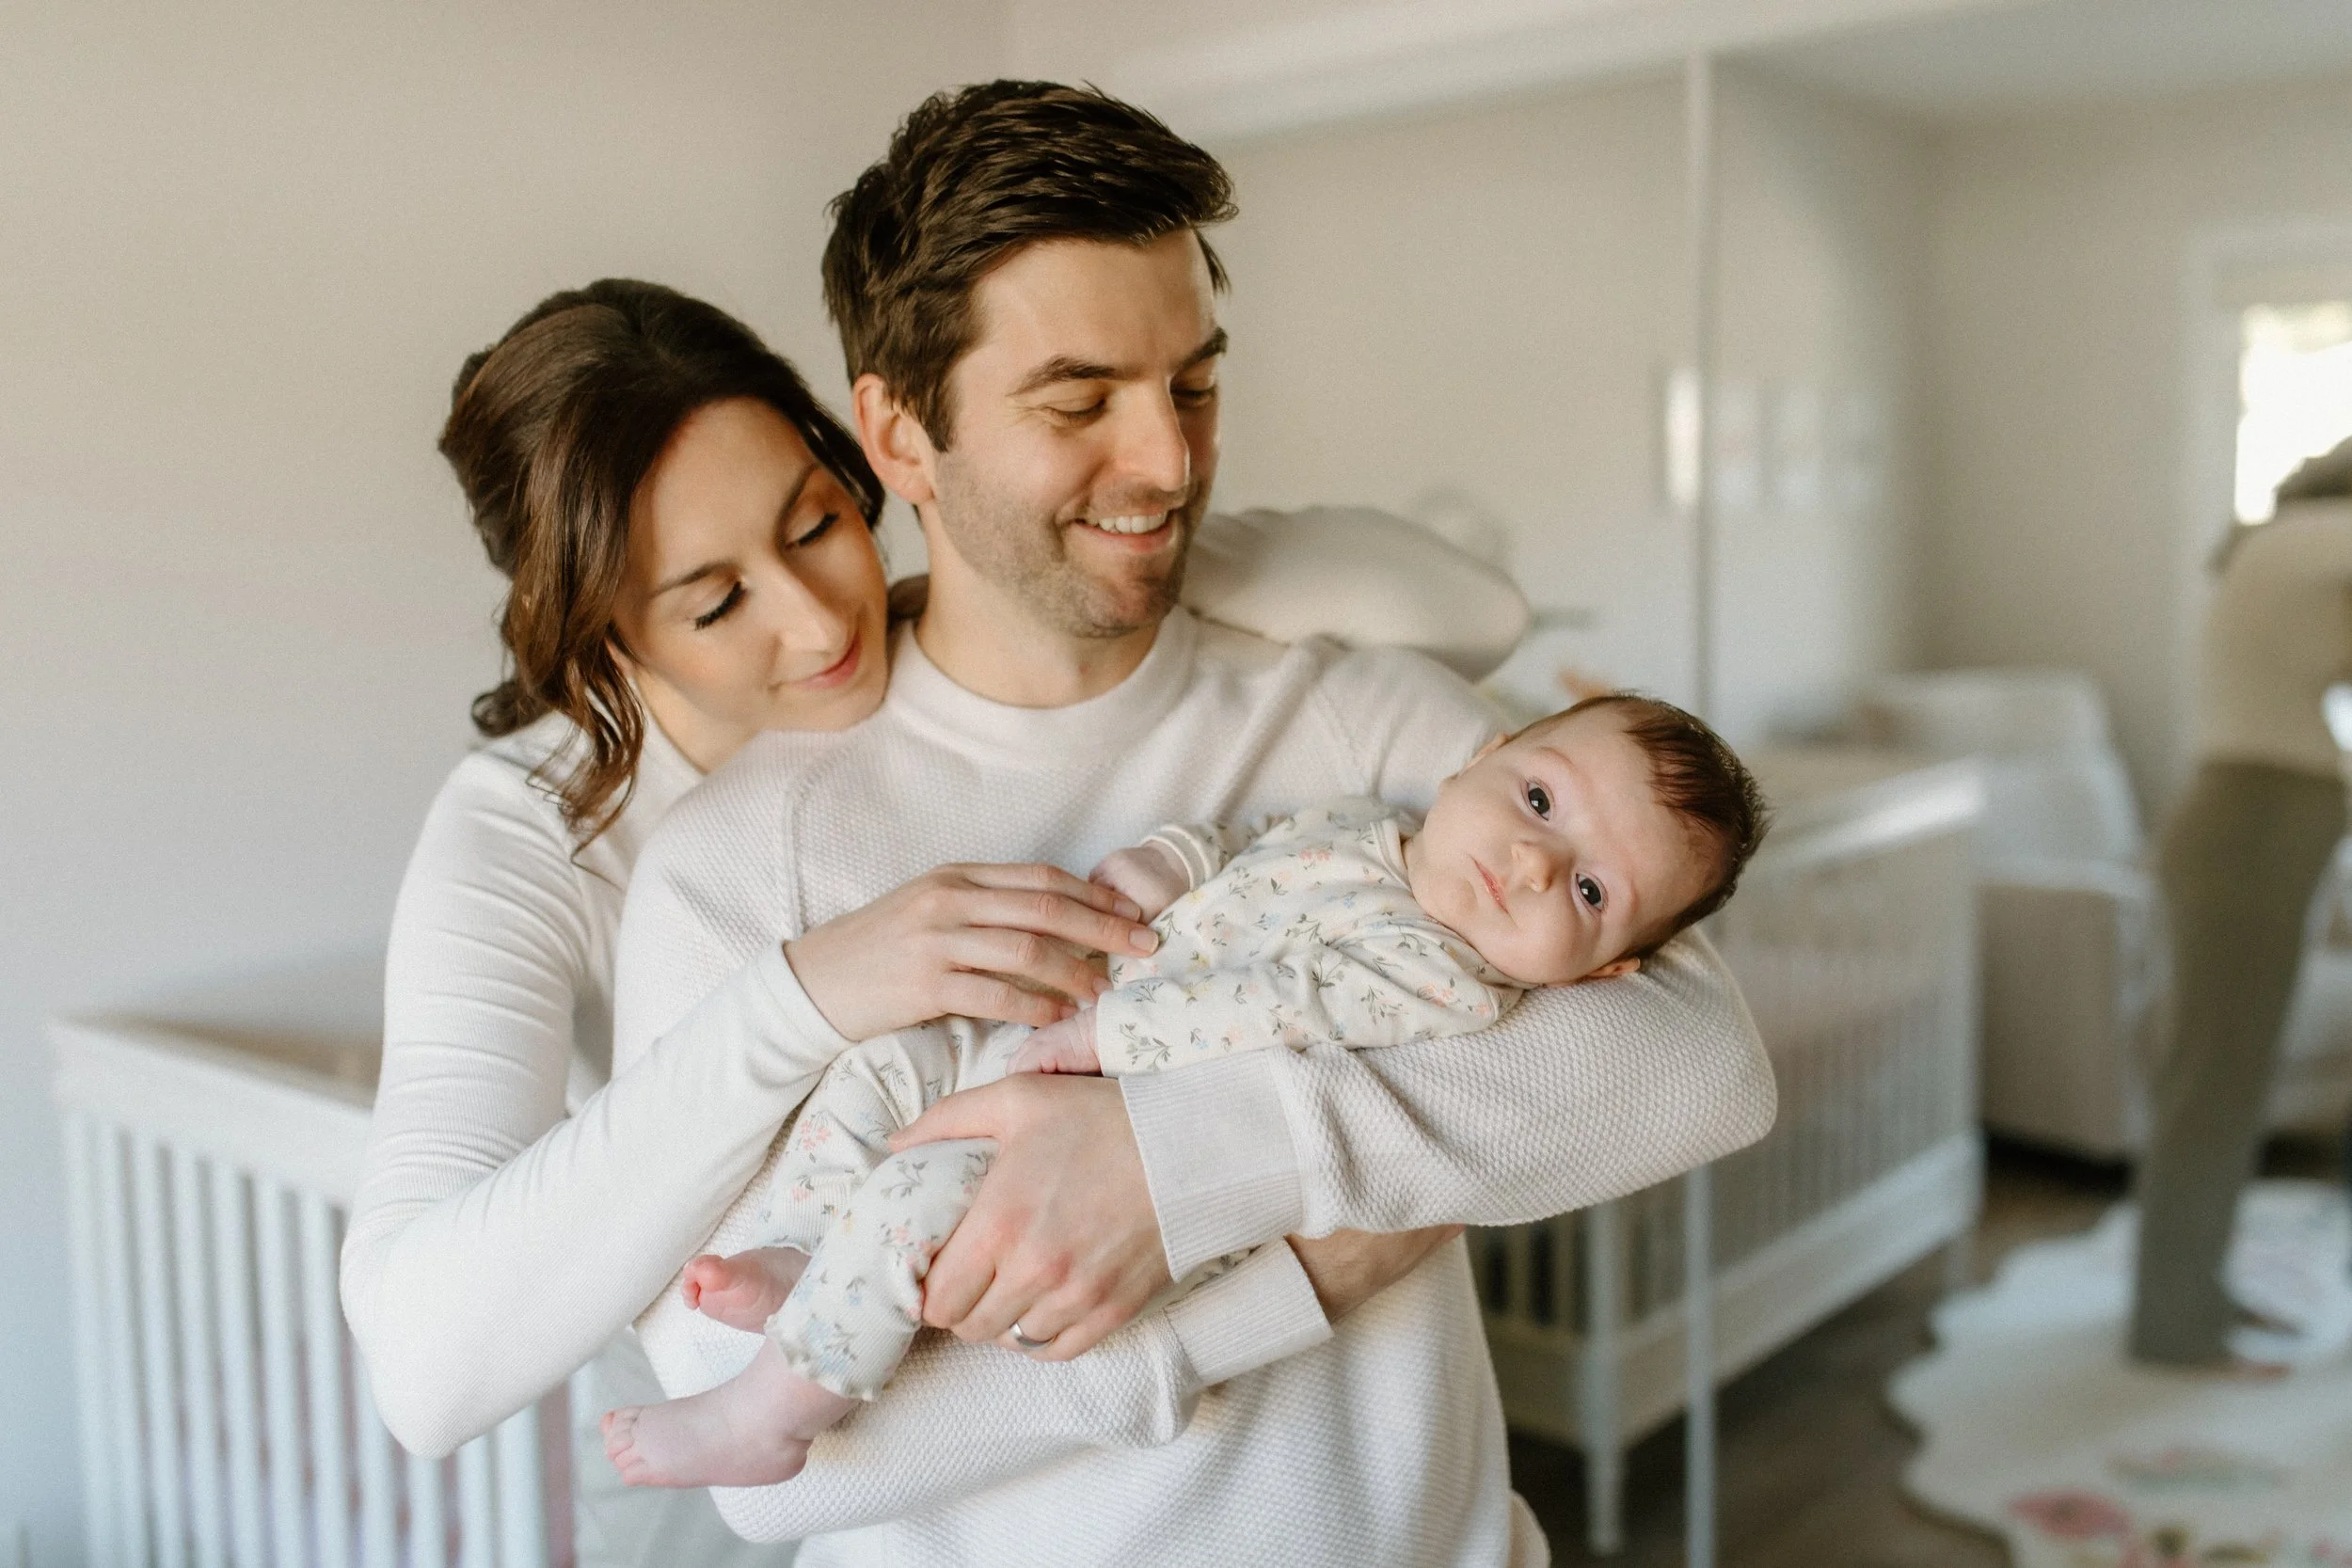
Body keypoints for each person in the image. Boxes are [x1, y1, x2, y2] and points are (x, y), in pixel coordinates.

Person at [612, 81, 1775, 1564]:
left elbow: (1701, 1068)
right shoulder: (741, 864)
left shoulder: (1370, 721)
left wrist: (1187, 1162)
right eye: (1079, 400)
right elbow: (775, 1463)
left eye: (1194, 383)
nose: (1168, 462)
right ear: (901, 434)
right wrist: (1308, 1271)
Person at [339, 278, 1529, 1564]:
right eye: (715, 600)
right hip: (705, 1420)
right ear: (600, 635)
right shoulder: (534, 829)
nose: (815, 617)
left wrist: (1121, 534)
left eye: (815, 521)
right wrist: (805, 997)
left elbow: (1481, 615)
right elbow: (425, 1363)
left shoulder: (927, 655)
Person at [602, 694, 1770, 1489]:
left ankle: (777, 1408)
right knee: (879, 1070)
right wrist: (1173, 860)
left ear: (1612, 968)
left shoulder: (1446, 981)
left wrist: (1111, 1030)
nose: (1528, 864)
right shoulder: (1370, 827)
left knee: (924, 1193)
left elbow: (1283, 1006)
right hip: (1067, 1035)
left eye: (1586, 891)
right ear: (1485, 751)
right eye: (1537, 801)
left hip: (1137, 1110)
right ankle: (813, 1255)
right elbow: (1251, 845)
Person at [2130, 438, 2352, 1369]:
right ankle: (2173, 1323)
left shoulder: (2289, 542)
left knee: (2221, 1074)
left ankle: (2196, 1293)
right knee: (2213, 1084)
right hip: (2253, 826)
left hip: (2252, 825)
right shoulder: (2323, 543)